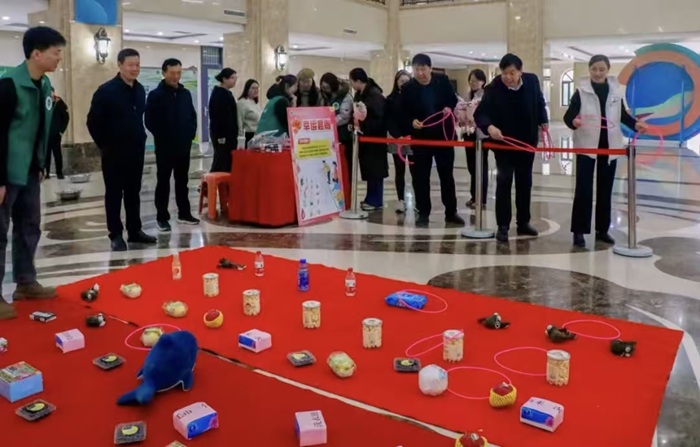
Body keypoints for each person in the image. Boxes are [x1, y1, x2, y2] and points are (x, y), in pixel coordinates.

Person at [0, 26, 66, 320]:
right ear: (37, 54)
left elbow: (43, 128)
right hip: (6, 173)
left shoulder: (44, 84)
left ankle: (26, 282)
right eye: (56, 52)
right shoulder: (8, 86)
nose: (59, 58)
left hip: (30, 171)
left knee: (29, 227)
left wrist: (40, 165)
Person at [564, 54, 648, 248]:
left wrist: (636, 125)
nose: (598, 73)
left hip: (610, 147)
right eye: (594, 69)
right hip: (587, 146)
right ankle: (579, 231)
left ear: (607, 70)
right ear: (589, 69)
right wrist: (574, 122)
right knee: (583, 189)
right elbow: (569, 116)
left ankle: (602, 230)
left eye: (601, 69)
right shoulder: (581, 91)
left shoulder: (616, 91)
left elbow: (623, 116)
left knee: (606, 189)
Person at [87, 48, 157, 251]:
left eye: (137, 65)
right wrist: (105, 145)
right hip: (113, 152)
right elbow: (93, 122)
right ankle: (115, 234)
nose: (135, 69)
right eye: (130, 65)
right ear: (120, 65)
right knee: (114, 194)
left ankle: (135, 230)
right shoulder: (106, 91)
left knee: (134, 192)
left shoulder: (139, 89)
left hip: (136, 150)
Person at [475, 53, 548, 243]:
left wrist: (543, 120)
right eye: (505, 73)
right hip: (504, 145)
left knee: (525, 184)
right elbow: (480, 114)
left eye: (512, 73)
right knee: (504, 183)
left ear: (520, 71)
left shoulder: (532, 82)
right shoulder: (493, 88)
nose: (508, 77)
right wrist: (490, 128)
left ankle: (523, 222)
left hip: (526, 143)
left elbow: (539, 102)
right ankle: (503, 226)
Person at [399, 53, 463, 226]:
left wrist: (448, 109)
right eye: (416, 70)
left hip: (443, 137)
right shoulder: (408, 88)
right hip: (421, 139)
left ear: (430, 68)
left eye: (423, 69)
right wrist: (411, 122)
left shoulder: (442, 81)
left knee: (446, 176)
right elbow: (402, 113)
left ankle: (451, 212)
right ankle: (423, 212)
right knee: (420, 178)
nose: (420, 73)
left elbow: (452, 100)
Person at [145, 58, 199, 233]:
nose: (176, 77)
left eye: (179, 73)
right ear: (164, 73)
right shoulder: (156, 95)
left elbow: (192, 116)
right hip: (165, 146)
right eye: (172, 73)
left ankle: (184, 213)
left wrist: (190, 134)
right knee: (163, 182)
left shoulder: (185, 94)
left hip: (184, 145)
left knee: (182, 180)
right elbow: (149, 120)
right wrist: (163, 136)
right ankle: (162, 217)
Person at [349, 68, 387, 211]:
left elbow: (379, 117)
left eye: (352, 81)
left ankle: (376, 200)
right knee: (370, 170)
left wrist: (363, 124)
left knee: (375, 170)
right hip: (366, 137)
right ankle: (370, 197)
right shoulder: (361, 94)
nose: (352, 85)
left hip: (375, 138)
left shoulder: (374, 95)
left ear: (358, 81)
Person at [385, 69, 412, 213]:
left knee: (416, 171)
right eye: (401, 81)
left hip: (413, 139)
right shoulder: (390, 99)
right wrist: (397, 136)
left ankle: (420, 202)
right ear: (396, 82)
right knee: (399, 170)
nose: (404, 84)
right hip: (397, 139)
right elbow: (389, 119)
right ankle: (401, 200)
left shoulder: (415, 98)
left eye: (407, 81)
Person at [319, 72, 354, 179]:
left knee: (345, 167)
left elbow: (344, 116)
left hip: (343, 136)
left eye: (327, 87)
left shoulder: (346, 96)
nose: (325, 90)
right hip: (328, 137)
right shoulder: (325, 96)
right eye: (323, 87)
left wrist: (328, 124)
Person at [463, 69, 488, 209]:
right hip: (468, 134)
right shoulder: (467, 96)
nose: (473, 83)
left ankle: (481, 199)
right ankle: (474, 196)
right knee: (472, 167)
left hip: (481, 135)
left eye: (476, 80)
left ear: (483, 82)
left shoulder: (485, 96)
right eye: (471, 81)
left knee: (481, 167)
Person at [208, 68, 238, 172]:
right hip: (222, 135)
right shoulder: (219, 94)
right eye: (232, 78)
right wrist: (221, 136)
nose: (235, 80)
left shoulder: (227, 93)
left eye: (235, 78)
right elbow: (218, 117)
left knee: (227, 161)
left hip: (229, 134)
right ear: (224, 79)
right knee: (221, 161)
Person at [46, 87, 69, 179]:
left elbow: (66, 118)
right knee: (46, 154)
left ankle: (59, 172)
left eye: (51, 92)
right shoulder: (45, 102)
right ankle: (46, 172)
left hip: (56, 134)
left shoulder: (59, 102)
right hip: (47, 134)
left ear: (53, 92)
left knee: (57, 154)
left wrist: (61, 131)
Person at [237, 79, 262, 146]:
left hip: (258, 134)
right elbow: (240, 121)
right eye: (253, 88)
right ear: (247, 89)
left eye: (257, 88)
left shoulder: (255, 102)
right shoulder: (242, 103)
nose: (256, 90)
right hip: (249, 135)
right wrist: (241, 138)